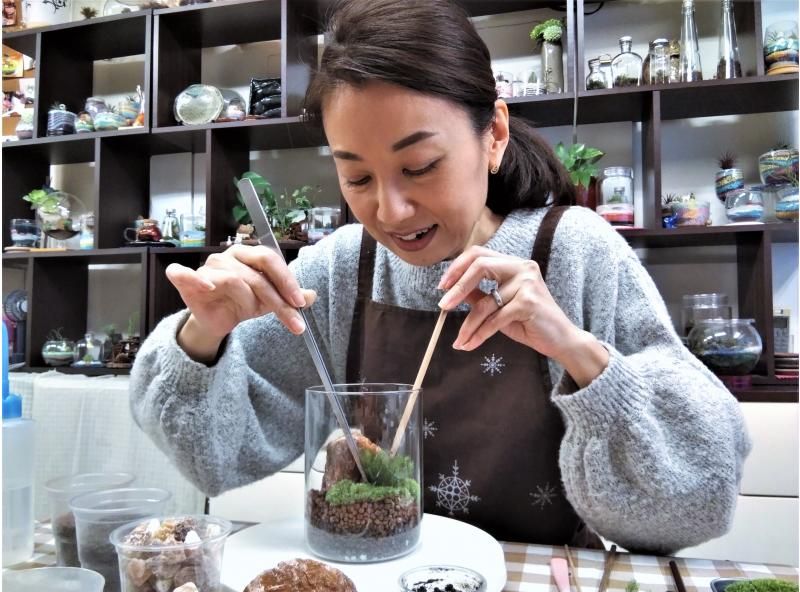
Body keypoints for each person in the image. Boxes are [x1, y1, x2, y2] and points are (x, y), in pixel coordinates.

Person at [131, 0, 750, 554]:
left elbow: (697, 502)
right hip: (377, 570)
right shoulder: (344, 267)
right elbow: (211, 460)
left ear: (495, 135)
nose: (390, 212)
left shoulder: (576, 253)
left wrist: (579, 353)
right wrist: (203, 336)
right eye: (358, 178)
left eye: (420, 166)